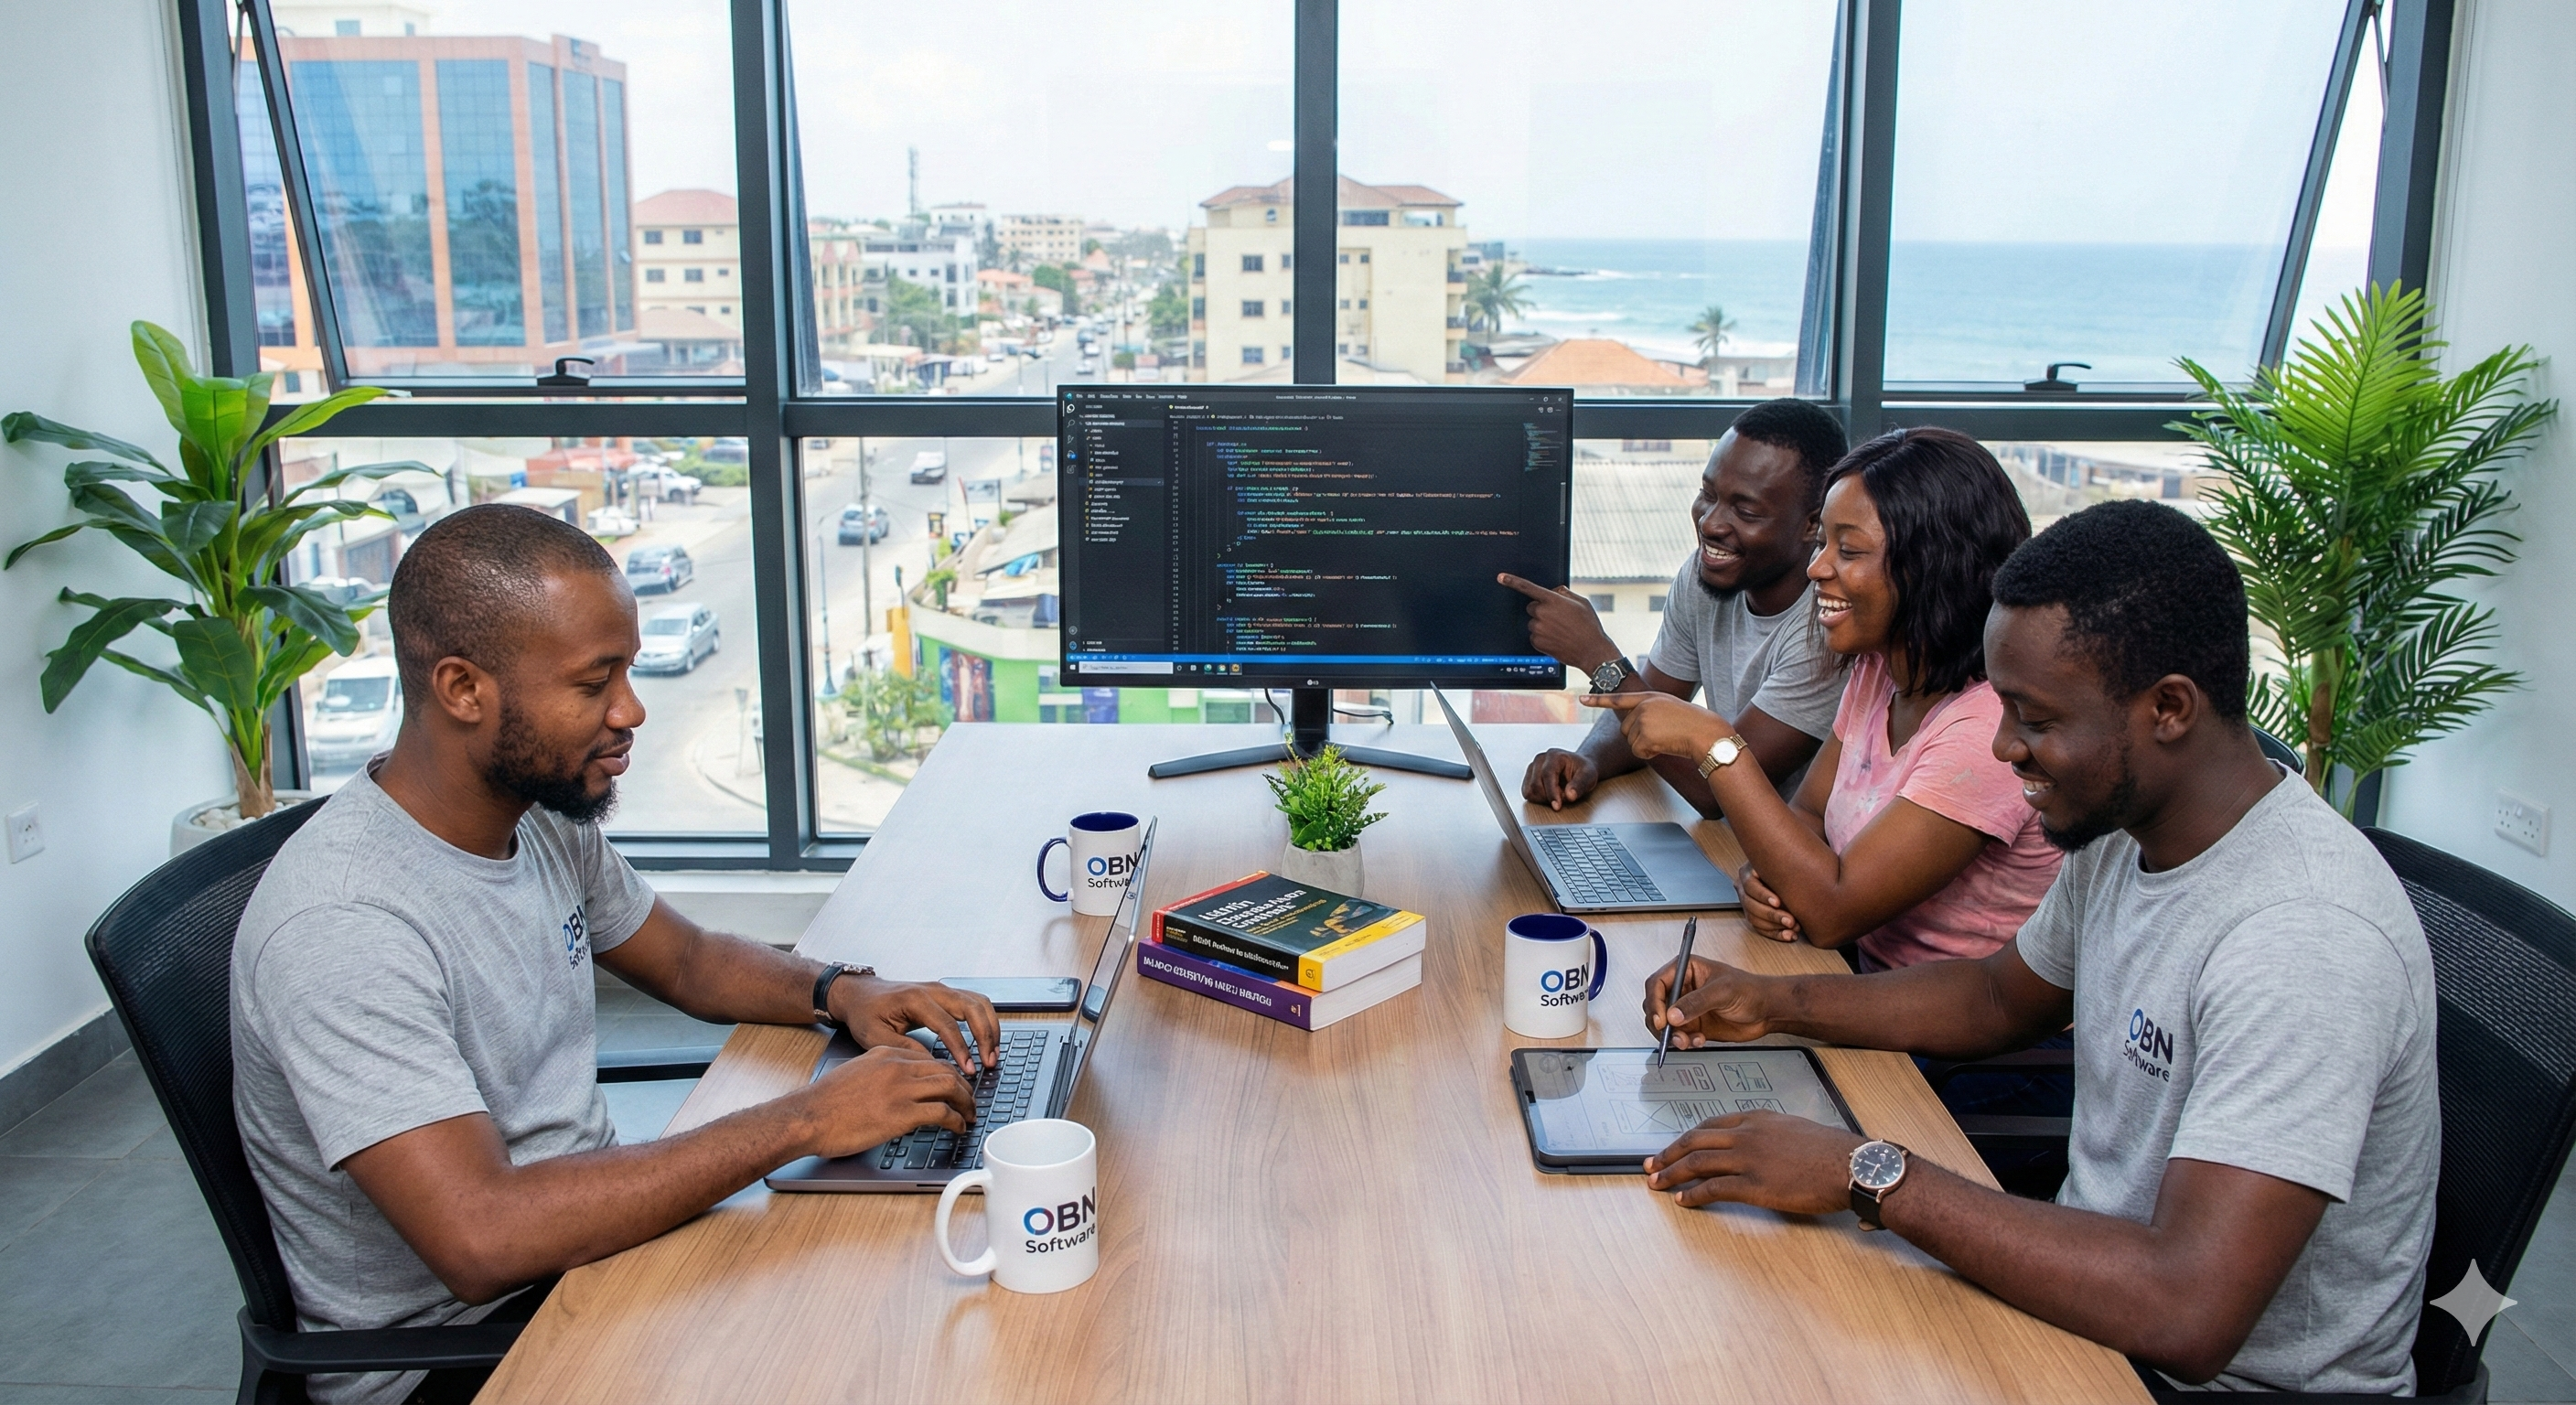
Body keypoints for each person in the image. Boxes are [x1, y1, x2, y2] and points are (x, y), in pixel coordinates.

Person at [1636, 500, 2439, 1395]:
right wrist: (1770, 1001)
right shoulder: (2126, 832)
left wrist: (1864, 1170)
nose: (2003, 745)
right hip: (2093, 1306)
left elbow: (2187, 1310)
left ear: (2169, 708)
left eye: (2035, 718)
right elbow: (1996, 998)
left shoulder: (2303, 938)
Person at [231, 505, 1000, 1405]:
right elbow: (480, 1239)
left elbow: (689, 961)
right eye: (595, 682)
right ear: (463, 688)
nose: (630, 710)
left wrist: (841, 992)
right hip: (467, 1356)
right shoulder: (343, 925)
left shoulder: (535, 818)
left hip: (586, 1258)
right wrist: (803, 1120)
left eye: (627, 672)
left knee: (914, 1289)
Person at [1582, 428, 2061, 973]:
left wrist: (1713, 742)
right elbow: (1809, 814)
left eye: (1848, 550)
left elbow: (1833, 911)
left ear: (1935, 565)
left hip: (1942, 1017)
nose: (1817, 569)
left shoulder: (1985, 729)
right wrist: (1768, 879)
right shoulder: (1880, 670)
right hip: (1859, 975)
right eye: (1822, 545)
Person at [1499, 398, 1848, 817]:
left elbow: (1718, 792)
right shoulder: (1708, 574)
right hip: (1733, 843)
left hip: (1790, 849)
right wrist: (1589, 760)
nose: (1710, 523)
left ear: (1812, 524)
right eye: (1707, 494)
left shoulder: (1829, 625)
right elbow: (1653, 699)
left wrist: (1597, 657)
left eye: (1745, 510)